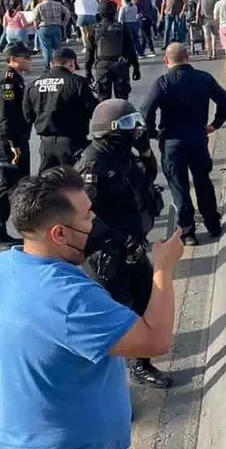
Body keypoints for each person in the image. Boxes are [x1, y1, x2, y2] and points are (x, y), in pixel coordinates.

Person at [0, 169, 184, 449]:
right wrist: (163, 269)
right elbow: (155, 339)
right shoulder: (70, 298)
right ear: (59, 234)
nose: (95, 220)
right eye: (86, 216)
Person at [76, 99, 171, 387]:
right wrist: (120, 240)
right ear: (110, 130)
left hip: (134, 246)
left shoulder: (123, 155)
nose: (136, 129)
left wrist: (145, 149)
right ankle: (108, 385)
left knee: (145, 301)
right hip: (108, 255)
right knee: (113, 318)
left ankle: (140, 364)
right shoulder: (92, 165)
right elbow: (86, 216)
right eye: (130, 125)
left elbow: (148, 177)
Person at [140, 43, 226, 246]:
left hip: (172, 143)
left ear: (166, 60)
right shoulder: (204, 78)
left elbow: (145, 113)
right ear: (187, 57)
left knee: (179, 188)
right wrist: (215, 124)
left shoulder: (162, 83)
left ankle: (188, 232)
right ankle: (212, 223)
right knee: (203, 182)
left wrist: (154, 133)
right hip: (198, 140)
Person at [0, 43, 34, 250]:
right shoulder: (7, 82)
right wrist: (14, 145)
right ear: (13, 59)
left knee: (15, 186)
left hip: (14, 139)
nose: (30, 60)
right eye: (26, 57)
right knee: (5, 187)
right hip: (7, 142)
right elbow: (7, 116)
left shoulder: (16, 79)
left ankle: (4, 231)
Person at [26, 47, 98, 172]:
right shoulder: (77, 82)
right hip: (72, 142)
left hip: (46, 143)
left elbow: (28, 115)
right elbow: (94, 110)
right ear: (71, 63)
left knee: (46, 180)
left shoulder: (33, 84)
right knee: (72, 179)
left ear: (51, 64)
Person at [86, 0, 141, 101]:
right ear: (114, 12)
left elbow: (89, 52)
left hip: (102, 66)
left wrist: (87, 71)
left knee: (103, 99)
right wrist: (136, 67)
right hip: (120, 65)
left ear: (100, 13)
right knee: (122, 99)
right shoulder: (122, 27)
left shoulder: (93, 29)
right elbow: (131, 50)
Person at [33, 0, 72, 70]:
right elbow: (68, 13)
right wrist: (64, 23)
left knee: (46, 49)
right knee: (57, 48)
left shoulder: (39, 6)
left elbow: (35, 18)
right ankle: (58, 65)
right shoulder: (58, 4)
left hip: (44, 27)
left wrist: (36, 26)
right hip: (56, 27)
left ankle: (48, 66)